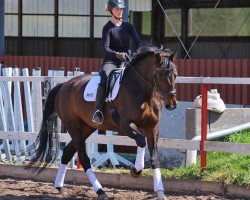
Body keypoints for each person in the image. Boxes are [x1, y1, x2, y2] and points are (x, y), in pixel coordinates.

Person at [92, 0, 143, 125]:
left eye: (121, 9)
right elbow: (106, 49)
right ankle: (98, 111)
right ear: (110, 10)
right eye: (117, 9)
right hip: (111, 61)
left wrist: (135, 53)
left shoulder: (128, 26)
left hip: (127, 60)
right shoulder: (107, 28)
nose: (120, 11)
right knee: (104, 79)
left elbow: (138, 43)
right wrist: (117, 54)